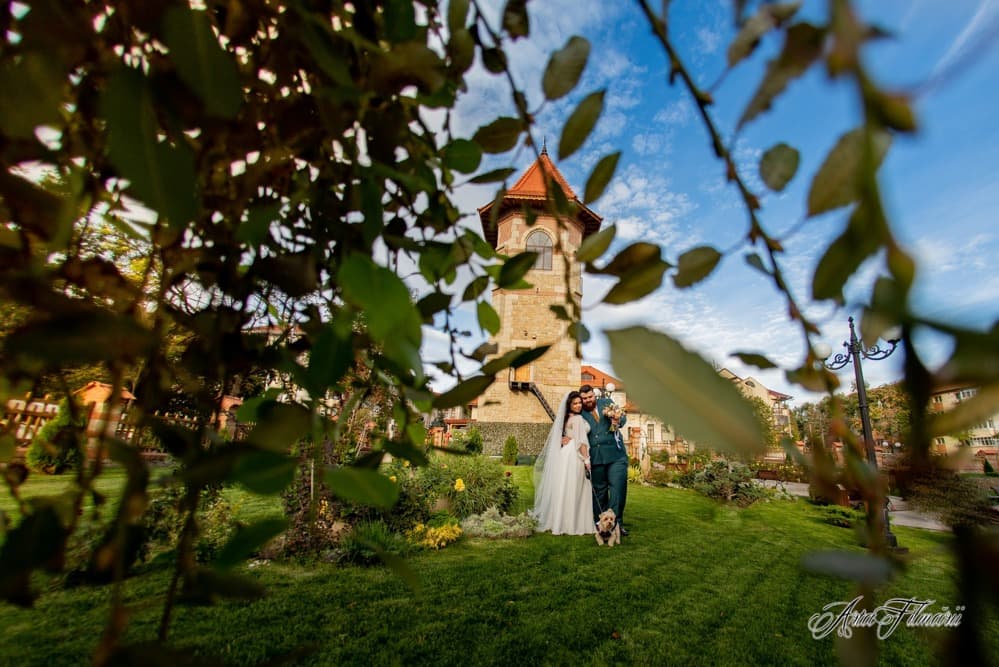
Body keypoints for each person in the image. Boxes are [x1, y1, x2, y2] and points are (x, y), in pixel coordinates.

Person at [532, 391, 594, 535]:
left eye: (579, 403)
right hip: (574, 456)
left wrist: (568, 438)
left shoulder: (567, 418)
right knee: (575, 488)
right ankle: (572, 524)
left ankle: (560, 521)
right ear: (569, 405)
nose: (578, 405)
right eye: (575, 403)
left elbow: (571, 435)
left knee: (565, 487)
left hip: (565, 454)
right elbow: (582, 442)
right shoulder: (577, 419)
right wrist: (586, 460)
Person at [579, 384, 629, 536]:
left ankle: (617, 525)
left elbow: (623, 417)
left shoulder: (606, 402)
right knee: (599, 493)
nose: (588, 400)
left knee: (617, 490)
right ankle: (601, 526)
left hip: (616, 455)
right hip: (595, 457)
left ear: (594, 395)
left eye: (590, 397)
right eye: (584, 398)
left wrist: (618, 420)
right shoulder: (579, 412)